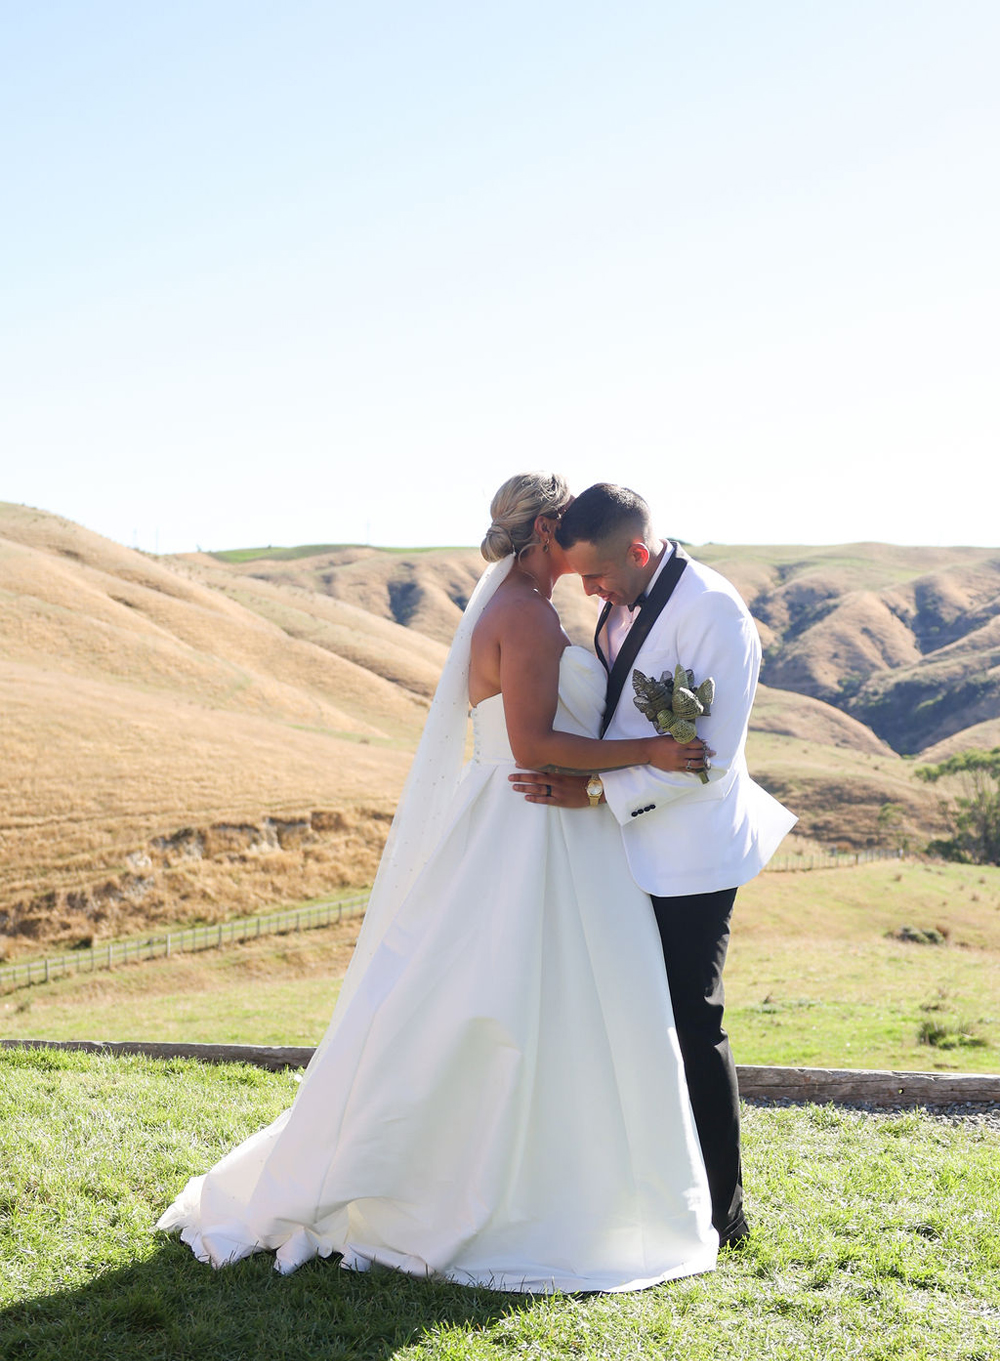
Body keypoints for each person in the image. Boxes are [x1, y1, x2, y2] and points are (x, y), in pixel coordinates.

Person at [157, 473, 719, 1292]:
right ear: (552, 529)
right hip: (532, 824)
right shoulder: (523, 619)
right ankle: (507, 1194)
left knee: (547, 1002)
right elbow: (532, 746)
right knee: (517, 998)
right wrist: (651, 752)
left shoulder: (536, 609)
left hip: (551, 825)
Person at [512, 483, 796, 1248]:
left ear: (638, 551)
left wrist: (595, 791)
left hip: (691, 853)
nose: (592, 593)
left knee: (691, 1019)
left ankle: (722, 1213)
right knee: (632, 1016)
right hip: (624, 845)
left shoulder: (712, 614)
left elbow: (706, 759)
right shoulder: (621, 592)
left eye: (600, 578)